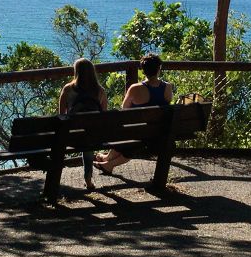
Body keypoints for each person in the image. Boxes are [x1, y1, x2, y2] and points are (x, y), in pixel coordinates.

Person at [95, 53, 173, 175]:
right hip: (160, 132)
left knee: (127, 135)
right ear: (159, 68)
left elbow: (124, 109)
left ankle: (108, 163)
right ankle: (107, 160)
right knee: (129, 136)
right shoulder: (167, 87)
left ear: (143, 70)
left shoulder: (135, 88)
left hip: (139, 132)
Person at [58, 57, 108, 190]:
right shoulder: (100, 91)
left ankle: (84, 178)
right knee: (88, 139)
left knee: (83, 136)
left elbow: (61, 115)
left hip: (72, 137)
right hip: (95, 137)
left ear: (76, 71)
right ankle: (88, 178)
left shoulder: (68, 89)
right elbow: (104, 116)